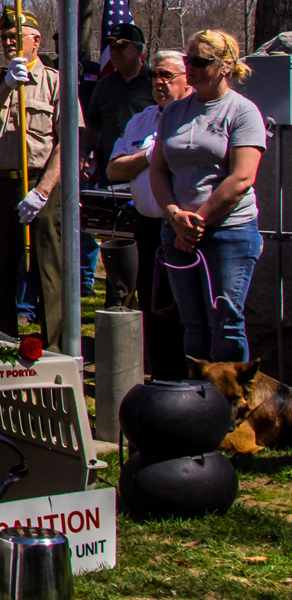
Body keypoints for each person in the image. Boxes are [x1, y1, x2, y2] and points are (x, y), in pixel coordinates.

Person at [148, 29, 266, 363]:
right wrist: (174, 216)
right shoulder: (173, 112)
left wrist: (198, 223)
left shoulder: (243, 112)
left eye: (199, 61)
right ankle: (198, 407)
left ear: (225, 66)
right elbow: (158, 170)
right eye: (188, 61)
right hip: (177, 230)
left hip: (228, 233)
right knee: (193, 325)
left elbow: (243, 176)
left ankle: (228, 407)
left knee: (226, 323)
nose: (191, 67)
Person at [0, 7, 80, 348]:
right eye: (4, 36)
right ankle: (2, 347)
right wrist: (5, 87)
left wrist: (44, 191)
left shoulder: (56, 81)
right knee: (0, 274)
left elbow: (68, 143)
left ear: (35, 39)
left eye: (16, 36)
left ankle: (54, 351)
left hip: (39, 186)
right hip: (0, 183)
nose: (8, 41)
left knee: (49, 273)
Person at [107, 51, 189, 378]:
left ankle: (188, 382)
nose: (159, 82)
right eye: (155, 75)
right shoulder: (141, 120)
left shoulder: (194, 119)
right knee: (152, 306)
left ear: (188, 79)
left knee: (185, 310)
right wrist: (150, 154)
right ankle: (161, 379)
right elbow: (114, 169)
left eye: (167, 76)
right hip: (146, 227)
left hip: (184, 231)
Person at [85, 23, 154, 308]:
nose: (115, 52)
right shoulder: (104, 85)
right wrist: (85, 157)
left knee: (146, 243)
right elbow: (93, 127)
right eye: (112, 47)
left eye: (122, 47)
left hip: (149, 176)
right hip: (112, 174)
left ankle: (147, 303)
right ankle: (117, 305)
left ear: (140, 51)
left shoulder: (154, 82)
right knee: (115, 244)